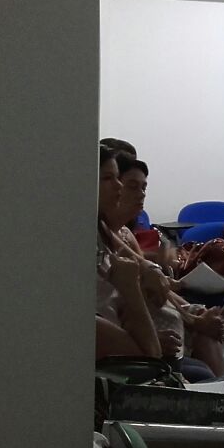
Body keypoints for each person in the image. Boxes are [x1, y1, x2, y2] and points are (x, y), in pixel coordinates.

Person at [112, 154, 224, 380]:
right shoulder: (104, 238)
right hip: (138, 334)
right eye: (132, 186)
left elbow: (160, 286)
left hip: (157, 323)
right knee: (201, 347)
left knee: (206, 323)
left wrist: (194, 314)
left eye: (144, 188)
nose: (141, 194)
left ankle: (220, 392)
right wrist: (193, 319)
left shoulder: (124, 234)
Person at [95, 144, 162, 361]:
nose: (118, 185)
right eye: (108, 178)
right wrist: (131, 288)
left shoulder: (101, 230)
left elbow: (145, 268)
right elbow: (150, 358)